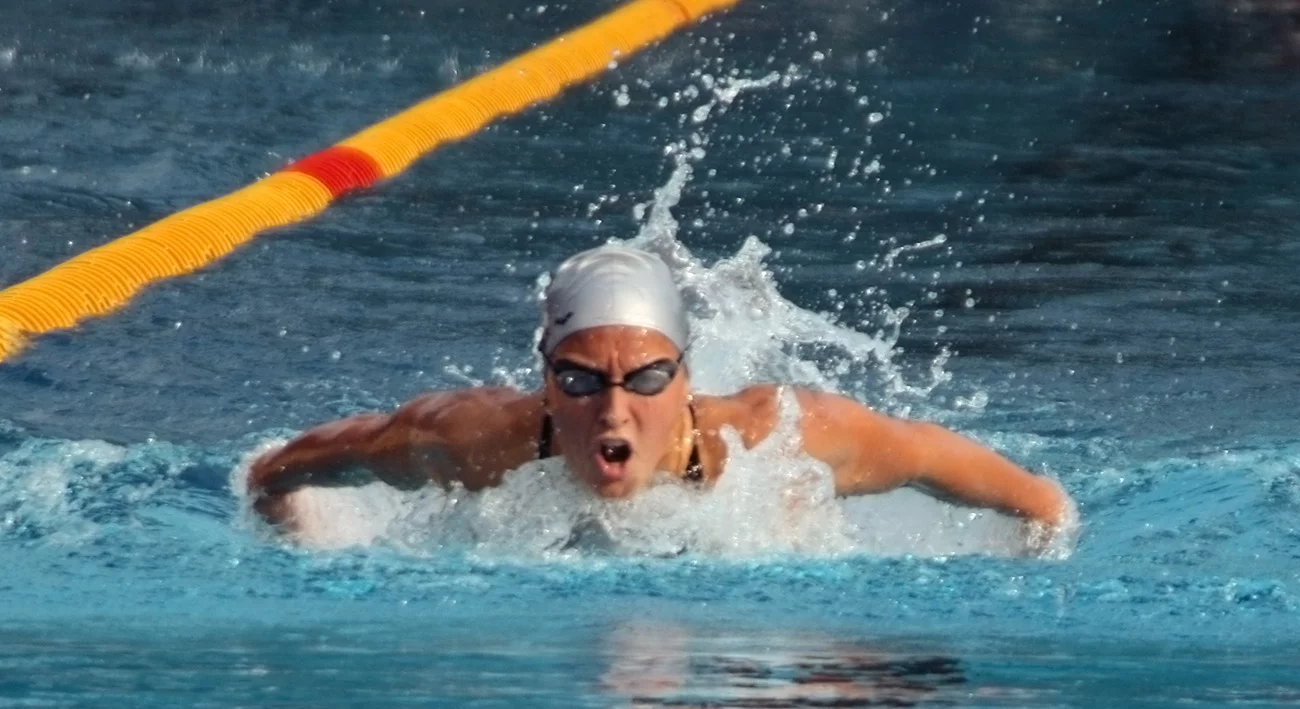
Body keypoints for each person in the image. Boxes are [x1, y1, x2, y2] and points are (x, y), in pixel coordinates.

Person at [248, 244, 1072, 544]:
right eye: (577, 379)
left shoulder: (778, 436)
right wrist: (298, 541)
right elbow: (278, 472)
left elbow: (1033, 500)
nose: (612, 410)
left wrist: (1041, 545)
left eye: (645, 379)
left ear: (685, 376)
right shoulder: (470, 438)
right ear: (544, 377)